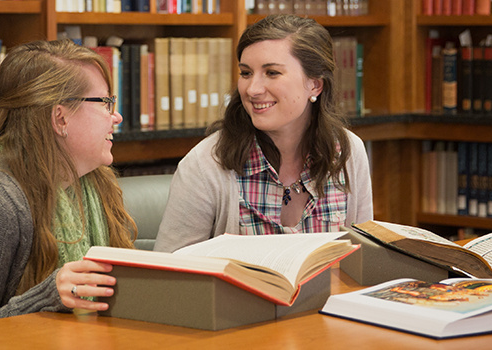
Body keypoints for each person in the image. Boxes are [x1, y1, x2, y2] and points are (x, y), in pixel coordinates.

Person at [0, 39, 136, 330]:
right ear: (61, 118)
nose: (115, 117)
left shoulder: (95, 184)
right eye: (106, 103)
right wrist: (46, 297)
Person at [154, 14, 373, 252]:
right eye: (246, 73)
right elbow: (171, 275)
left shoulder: (349, 153)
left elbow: (363, 261)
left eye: (272, 73)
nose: (253, 89)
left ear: (315, 85)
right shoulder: (205, 165)